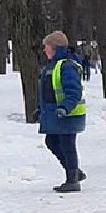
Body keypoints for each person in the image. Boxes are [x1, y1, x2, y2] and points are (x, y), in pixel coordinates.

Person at [38, 31, 87, 193]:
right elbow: (50, 91)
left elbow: (73, 90)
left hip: (68, 113)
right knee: (52, 142)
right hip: (57, 113)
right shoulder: (53, 65)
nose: (44, 50)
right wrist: (40, 110)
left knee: (67, 144)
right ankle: (74, 172)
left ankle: (72, 179)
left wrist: (65, 107)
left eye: (46, 47)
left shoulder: (66, 65)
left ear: (54, 47)